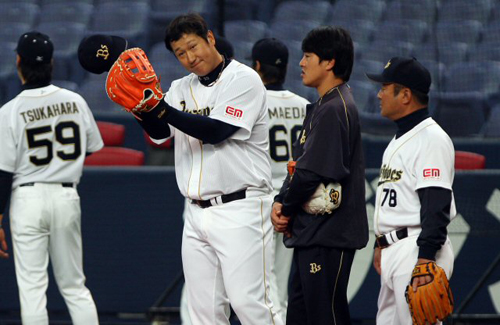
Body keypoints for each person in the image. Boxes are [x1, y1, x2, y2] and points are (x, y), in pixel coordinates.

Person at [82, 13, 281, 324]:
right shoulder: (179, 87)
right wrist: (141, 110)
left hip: (241, 207)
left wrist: (159, 107)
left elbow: (216, 131)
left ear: (210, 38)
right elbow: (161, 135)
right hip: (196, 214)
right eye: (180, 53)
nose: (190, 57)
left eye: (193, 46)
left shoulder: (243, 79)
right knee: (203, 312)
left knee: (251, 304)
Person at [0, 31, 102, 325]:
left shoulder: (9, 111)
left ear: (18, 62)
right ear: (52, 63)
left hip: (27, 196)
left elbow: (3, 173)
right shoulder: (75, 100)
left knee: (32, 290)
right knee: (74, 286)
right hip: (66, 194)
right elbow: (92, 147)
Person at [271, 26, 369, 325]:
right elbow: (299, 165)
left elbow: (311, 173)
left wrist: (284, 208)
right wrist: (280, 200)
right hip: (313, 232)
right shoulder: (324, 106)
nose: (301, 63)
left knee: (326, 316)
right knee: (301, 315)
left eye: (308, 55)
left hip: (328, 234)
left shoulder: (334, 108)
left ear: (329, 62)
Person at [366, 57, 455, 324]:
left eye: (385, 87)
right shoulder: (398, 138)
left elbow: (436, 203)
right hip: (395, 248)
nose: (379, 94)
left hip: (416, 249)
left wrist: (425, 257)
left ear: (405, 95)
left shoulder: (432, 138)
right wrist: (381, 243)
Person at [251, 37, 309, 323]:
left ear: (256, 65)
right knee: (281, 280)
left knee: (261, 279)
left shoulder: (253, 102)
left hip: (261, 198)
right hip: (293, 196)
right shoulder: (305, 105)